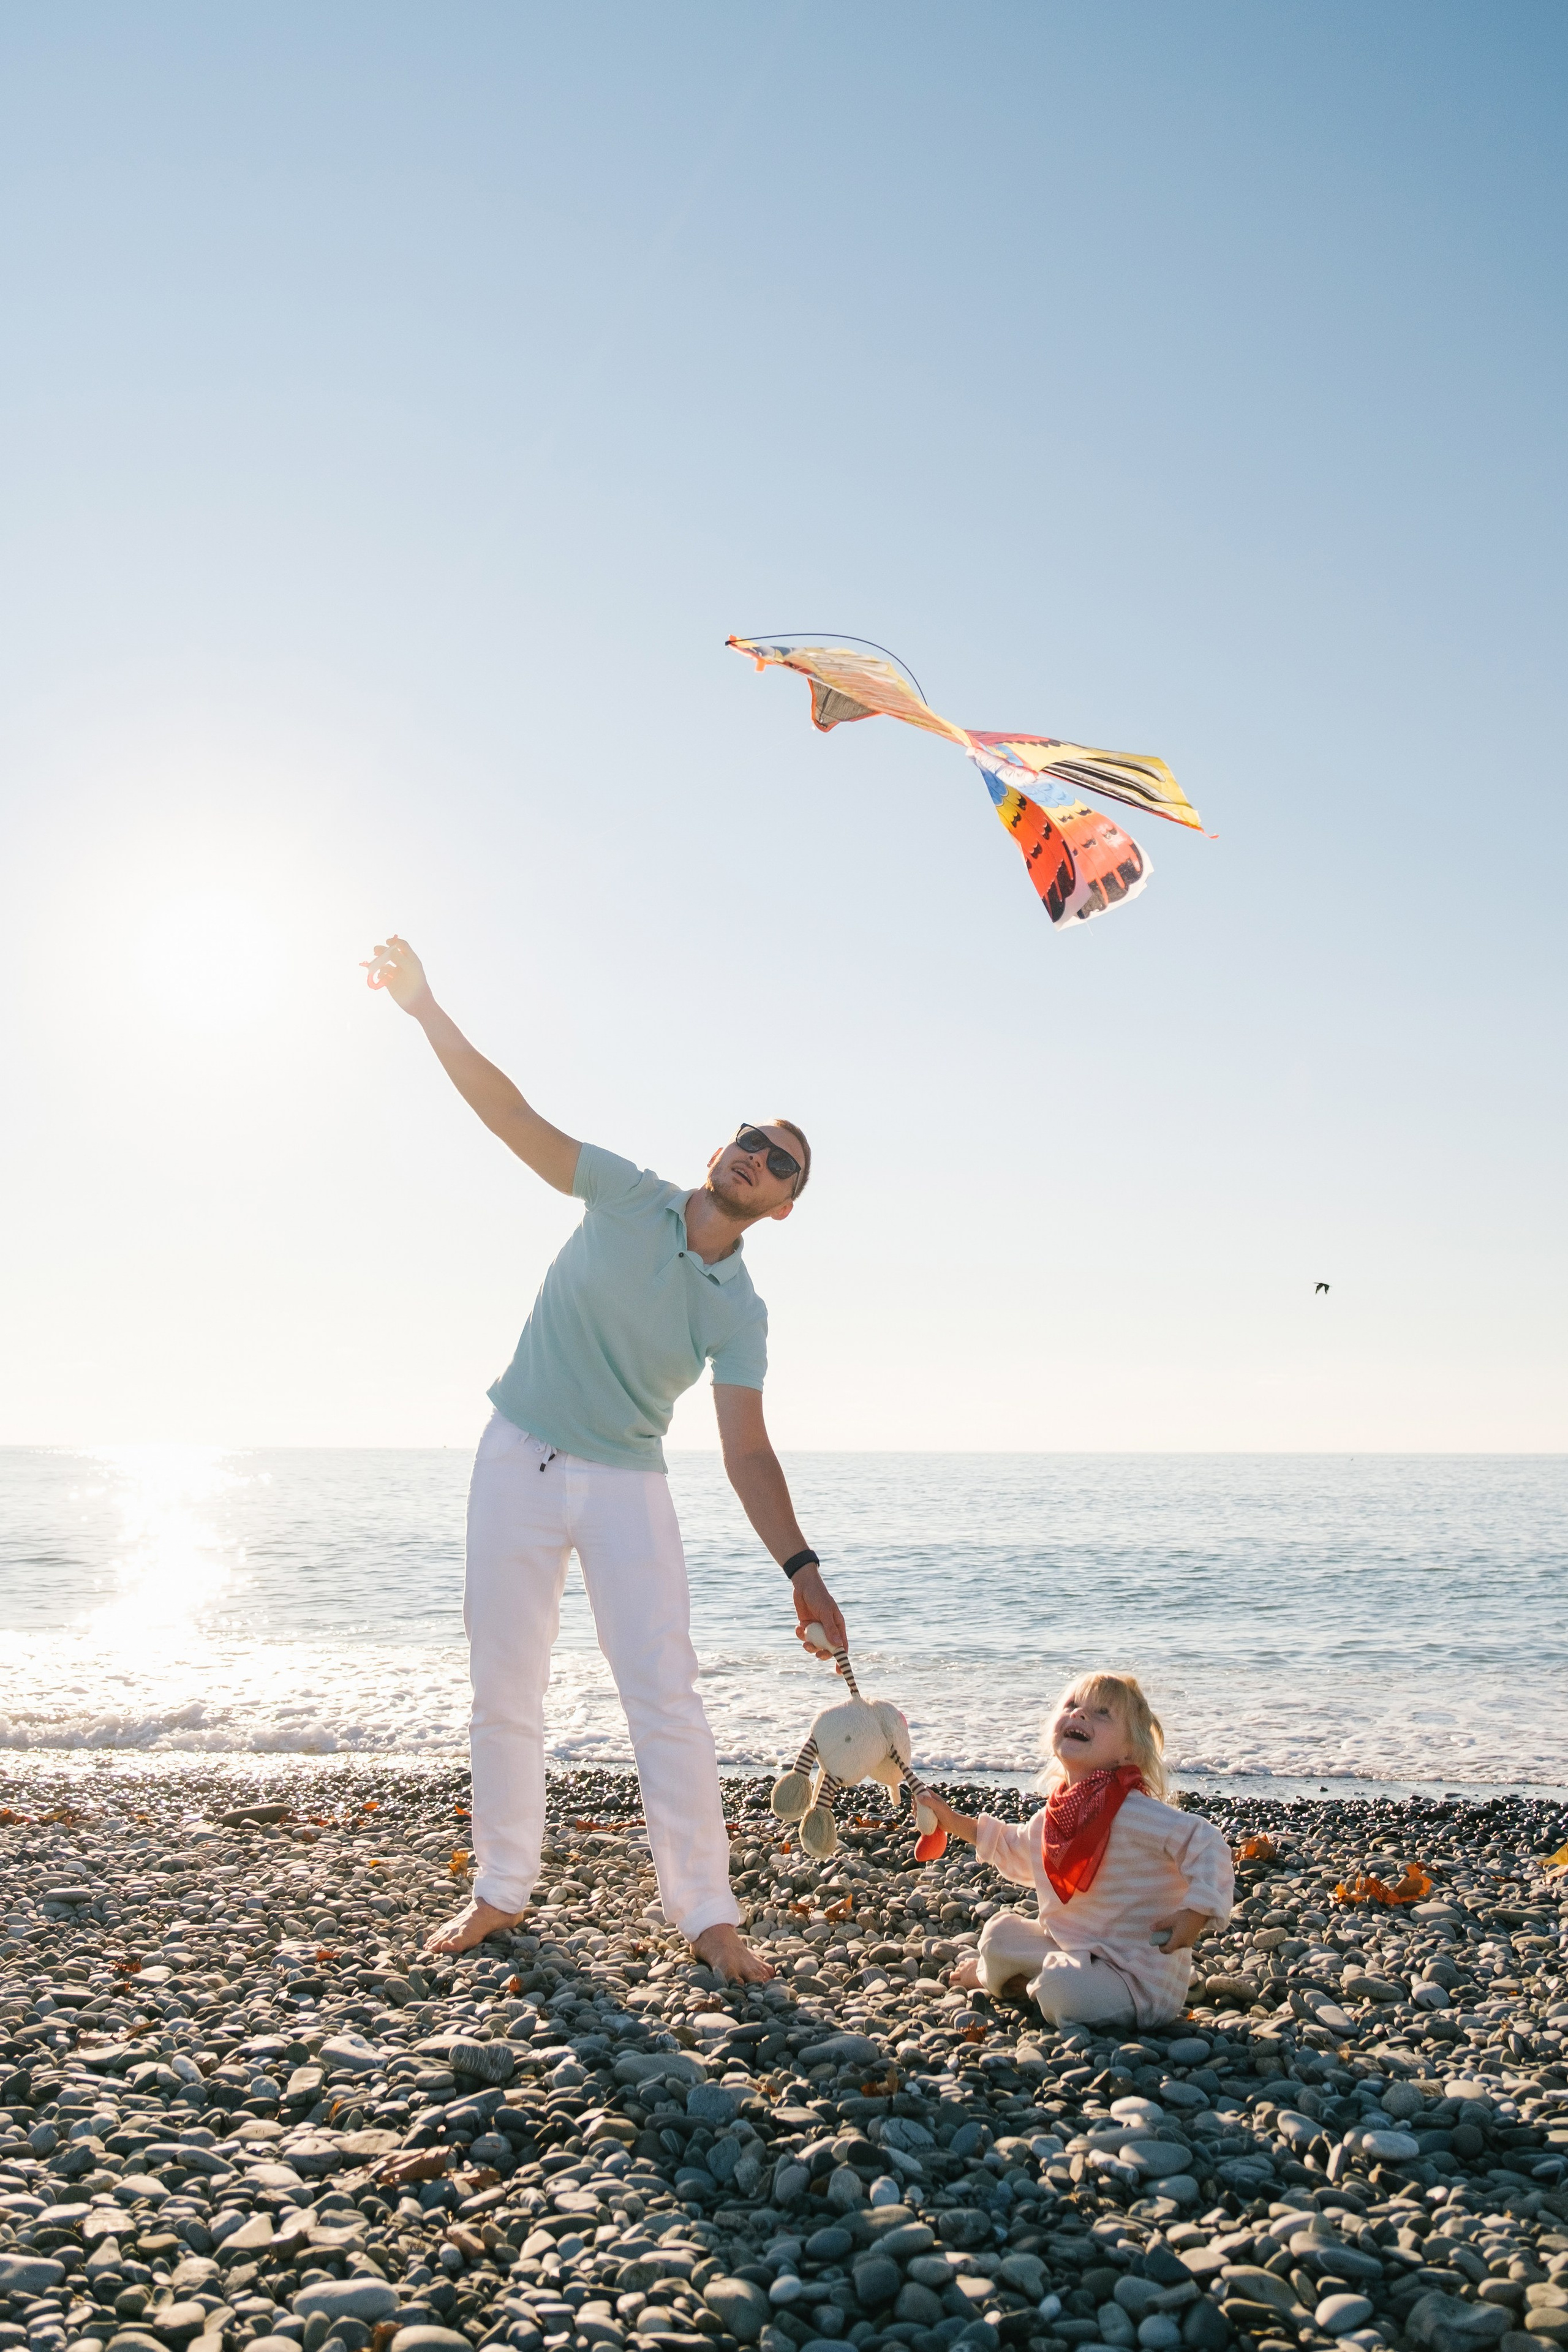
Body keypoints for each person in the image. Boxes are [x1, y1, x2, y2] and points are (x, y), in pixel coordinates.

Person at [363, 933, 845, 1984]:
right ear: (725, 1146)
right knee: (506, 1686)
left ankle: (709, 1917)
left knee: (665, 1696)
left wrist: (803, 1574)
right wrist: (426, 1008)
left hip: (627, 1483)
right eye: (749, 1138)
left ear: (784, 1205)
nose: (754, 1157)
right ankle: (500, 1890)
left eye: (778, 1162)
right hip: (518, 1456)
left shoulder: (742, 1311)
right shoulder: (626, 1192)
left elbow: (748, 1451)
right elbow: (511, 1117)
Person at [918, 1671, 1232, 2029]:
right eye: (1072, 1705)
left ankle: (1017, 1984)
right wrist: (951, 1819)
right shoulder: (1057, 1815)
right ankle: (1017, 1981)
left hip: (1136, 1979)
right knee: (998, 1934)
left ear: (1129, 1750)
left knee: (1062, 1988)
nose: (1080, 1715)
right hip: (1072, 1951)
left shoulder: (1139, 1813)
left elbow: (1207, 1844)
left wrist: (1195, 1913)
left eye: (1102, 1713)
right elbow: (1014, 1847)